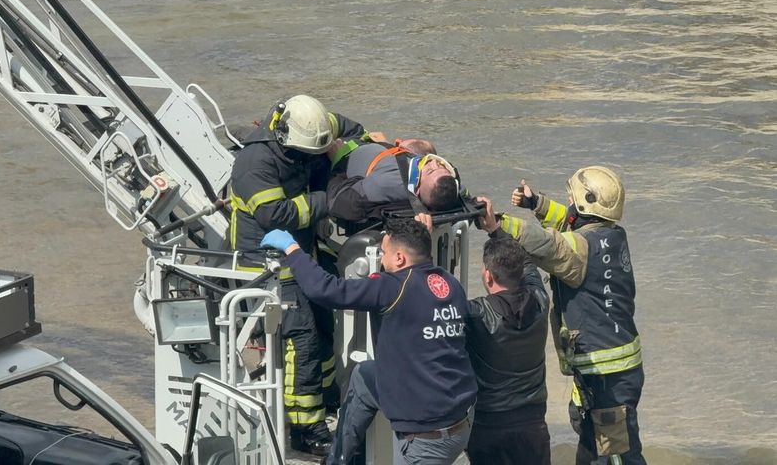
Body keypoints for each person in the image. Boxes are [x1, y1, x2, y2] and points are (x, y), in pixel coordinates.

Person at [260, 218, 477, 465]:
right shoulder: (450, 284)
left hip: (425, 439)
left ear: (399, 259)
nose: (381, 259)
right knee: (364, 375)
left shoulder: (391, 288)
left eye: (384, 253)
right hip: (459, 415)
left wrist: (292, 249)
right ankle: (338, 459)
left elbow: (325, 290)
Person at [229, 94, 367, 455]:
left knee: (324, 325)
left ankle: (326, 397)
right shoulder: (254, 163)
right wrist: (329, 198)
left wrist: (363, 151)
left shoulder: (314, 124)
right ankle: (306, 428)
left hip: (301, 254)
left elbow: (353, 130)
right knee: (302, 339)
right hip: (265, 264)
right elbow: (277, 216)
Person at [499, 167, 645, 465]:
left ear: (584, 203)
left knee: (616, 456)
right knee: (593, 442)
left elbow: (547, 243)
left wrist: (495, 223)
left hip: (605, 375)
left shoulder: (578, 250)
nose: (567, 199)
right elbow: (570, 224)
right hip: (606, 370)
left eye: (572, 196)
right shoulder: (612, 235)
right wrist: (536, 204)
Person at [464, 196, 551, 465]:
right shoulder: (540, 299)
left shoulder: (476, 315)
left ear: (488, 276)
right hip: (533, 423)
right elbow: (525, 261)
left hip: (489, 426)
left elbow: (433, 303)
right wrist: (494, 230)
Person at [325, 138, 462, 225]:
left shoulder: (388, 183)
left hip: (346, 154)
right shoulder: (446, 188)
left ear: (417, 189)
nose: (433, 162)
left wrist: (337, 158)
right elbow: (459, 190)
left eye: (429, 171)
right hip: (379, 148)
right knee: (425, 146)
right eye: (441, 167)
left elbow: (336, 200)